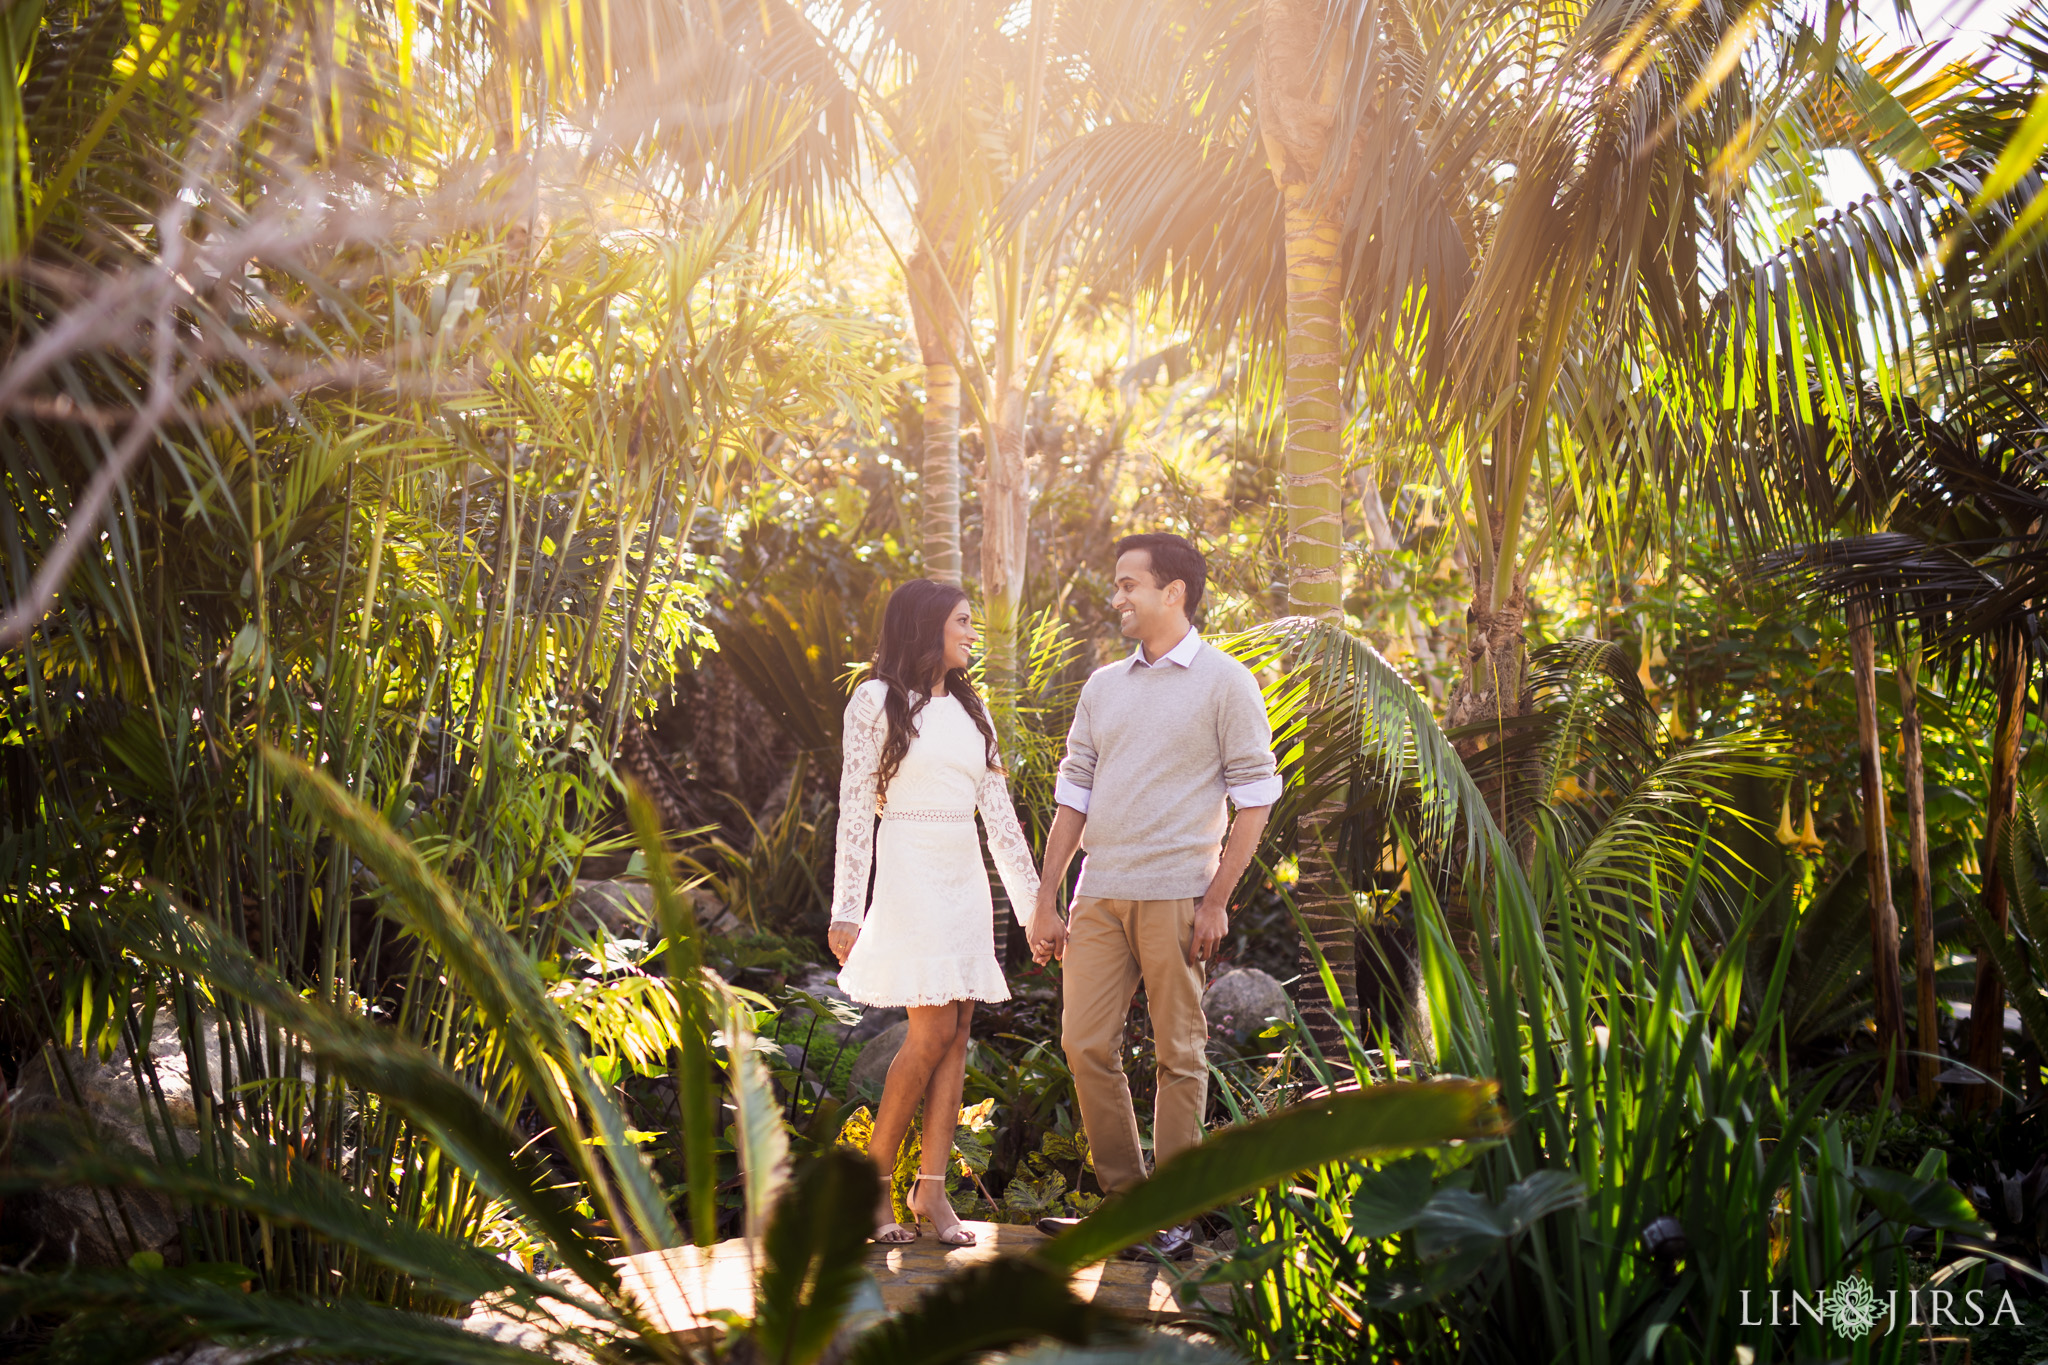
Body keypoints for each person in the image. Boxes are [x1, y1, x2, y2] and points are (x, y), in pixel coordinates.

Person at [1027, 533, 1280, 1261]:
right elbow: (1074, 793)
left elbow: (1256, 796)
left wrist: (1217, 897)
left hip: (1178, 892)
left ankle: (1171, 1214)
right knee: (1084, 1043)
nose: (1118, 598)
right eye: (1117, 584)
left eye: (1129, 584)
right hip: (1098, 891)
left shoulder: (1227, 682)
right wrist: (1048, 896)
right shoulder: (1104, 685)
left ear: (1175, 592)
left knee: (1180, 1051)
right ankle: (1125, 1203)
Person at [828, 578, 1040, 1247]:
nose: (973, 634)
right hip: (909, 867)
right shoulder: (875, 700)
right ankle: (875, 1184)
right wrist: (846, 909)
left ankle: (932, 1192)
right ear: (926, 627)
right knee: (930, 1031)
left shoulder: (976, 712)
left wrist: (1036, 912)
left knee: (958, 1029)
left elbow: (1001, 821)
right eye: (963, 622)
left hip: (963, 872)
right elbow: (856, 807)